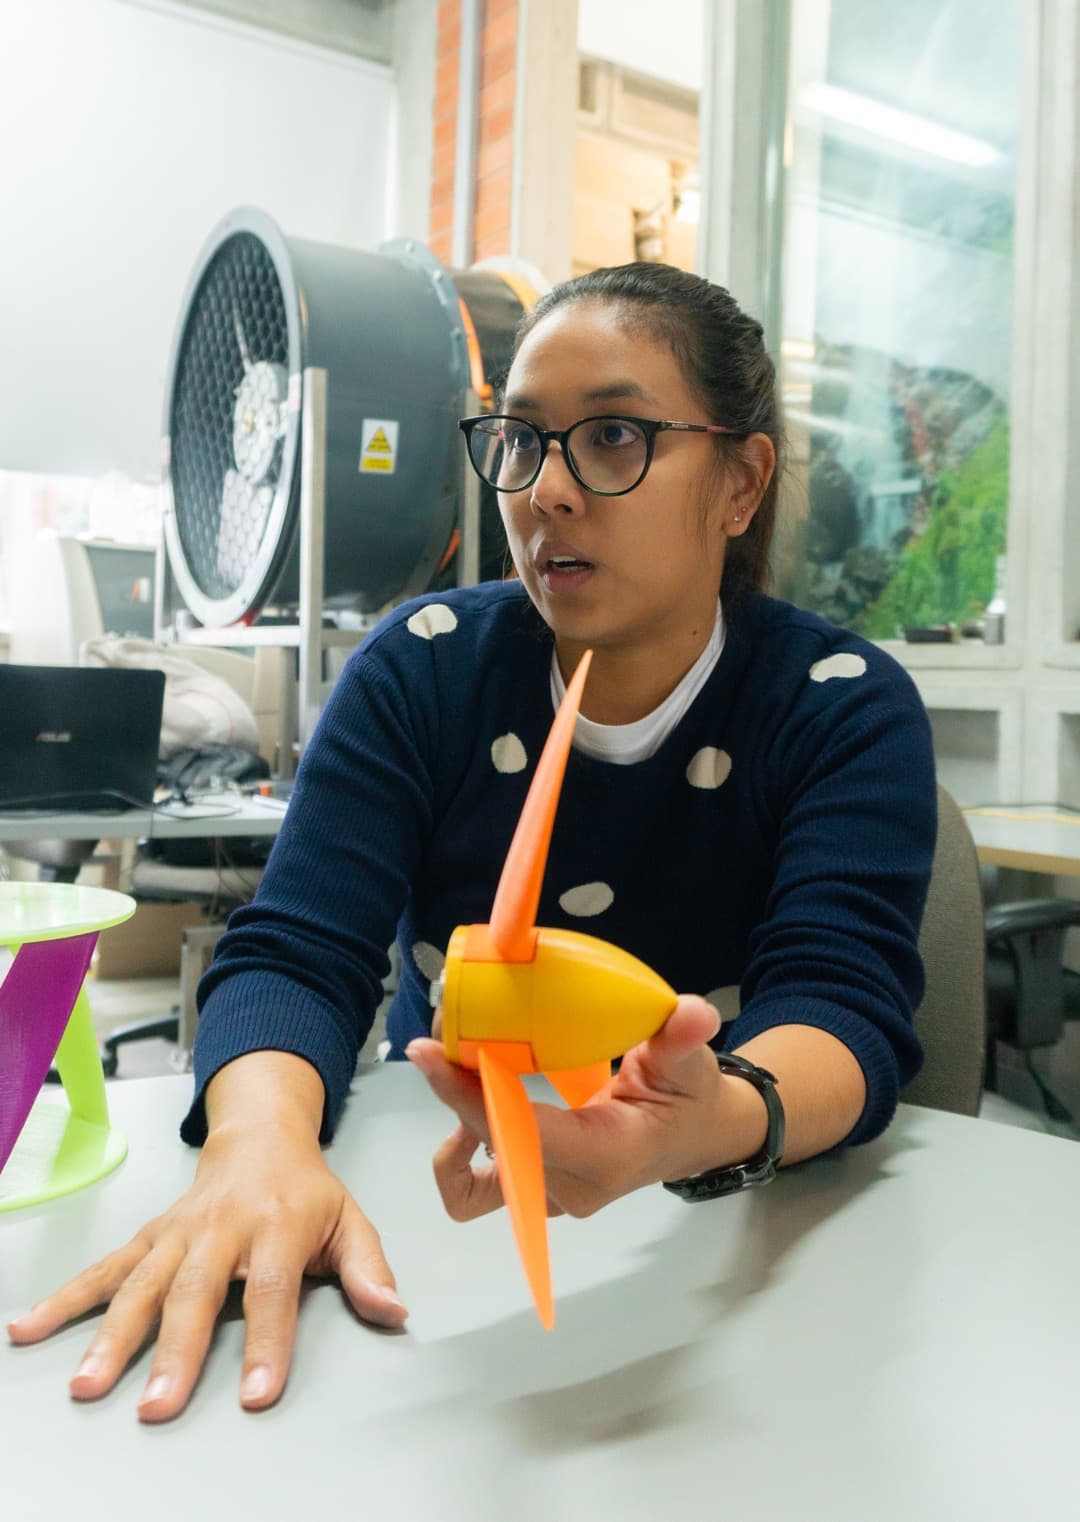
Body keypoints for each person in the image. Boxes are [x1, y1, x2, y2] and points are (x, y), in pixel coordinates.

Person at [7, 263, 936, 1422]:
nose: (545, 492)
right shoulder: (427, 663)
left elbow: (843, 1000)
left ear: (742, 482)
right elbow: (298, 951)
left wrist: (715, 1119)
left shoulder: (840, 701)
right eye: (520, 440)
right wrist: (255, 1147)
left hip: (745, 1240)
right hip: (439, 1210)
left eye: (611, 437)